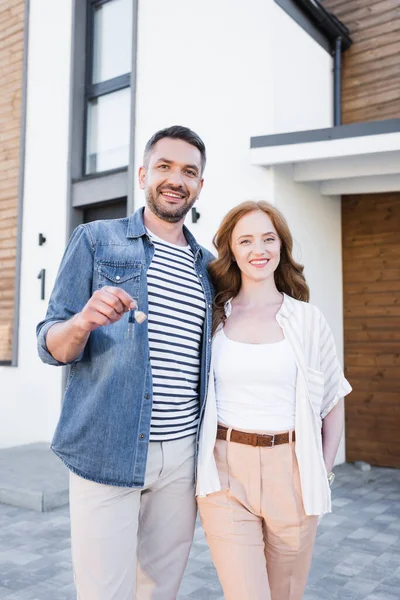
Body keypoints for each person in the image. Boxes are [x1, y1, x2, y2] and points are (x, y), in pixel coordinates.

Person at [36, 125, 214, 600]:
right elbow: (50, 342)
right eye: (164, 167)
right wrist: (81, 324)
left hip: (182, 459)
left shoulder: (210, 267)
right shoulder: (96, 239)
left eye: (189, 172)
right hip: (106, 447)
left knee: (159, 590)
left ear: (200, 185)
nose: (176, 179)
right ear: (142, 174)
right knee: (104, 593)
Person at [196, 201, 352, 600]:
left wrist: (322, 469)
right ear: (231, 250)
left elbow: (333, 399)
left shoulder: (307, 320)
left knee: (285, 594)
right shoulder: (213, 316)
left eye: (268, 238)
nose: (258, 249)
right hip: (224, 473)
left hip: (293, 471)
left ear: (281, 246)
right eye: (245, 240)